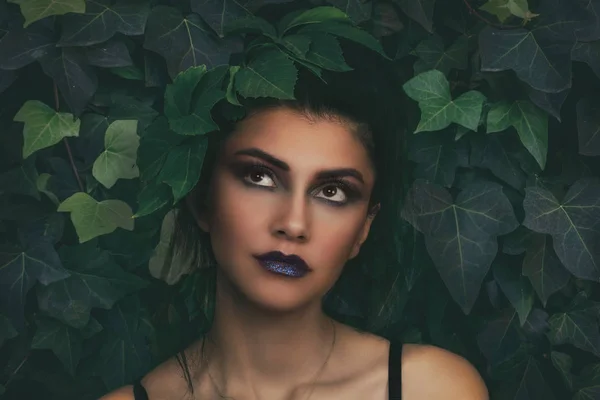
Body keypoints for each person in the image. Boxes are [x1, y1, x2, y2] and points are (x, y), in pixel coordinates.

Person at [100, 69, 489, 400]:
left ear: (363, 229)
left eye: (332, 192)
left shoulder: (431, 389)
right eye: (260, 177)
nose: (294, 224)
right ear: (203, 199)